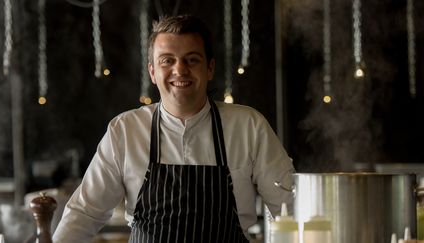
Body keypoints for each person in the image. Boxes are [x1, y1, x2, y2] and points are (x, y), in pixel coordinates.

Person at [53, 14, 295, 243]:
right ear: (153, 72)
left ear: (210, 68)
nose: (180, 70)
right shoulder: (125, 130)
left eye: (192, 60)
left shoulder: (249, 126)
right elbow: (84, 213)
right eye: (167, 60)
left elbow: (290, 209)